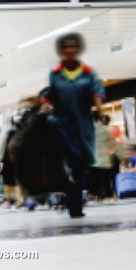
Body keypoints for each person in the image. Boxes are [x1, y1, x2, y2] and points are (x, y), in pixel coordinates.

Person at [43, 32, 105, 218]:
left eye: (73, 47)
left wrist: (100, 111)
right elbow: (50, 95)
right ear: (61, 51)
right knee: (68, 165)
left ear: (78, 49)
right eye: (66, 47)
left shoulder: (88, 73)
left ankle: (74, 202)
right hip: (61, 126)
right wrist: (45, 104)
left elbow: (97, 93)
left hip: (82, 126)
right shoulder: (55, 74)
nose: (69, 50)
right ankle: (72, 203)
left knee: (80, 166)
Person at [0, 114, 23, 208]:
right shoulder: (20, 133)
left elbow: (3, 148)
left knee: (9, 181)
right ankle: (18, 201)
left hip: (9, 160)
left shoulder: (8, 133)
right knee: (16, 181)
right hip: (17, 160)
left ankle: (10, 201)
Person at [90, 114, 116, 201]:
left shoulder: (89, 129)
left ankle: (97, 194)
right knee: (106, 178)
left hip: (94, 157)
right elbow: (111, 143)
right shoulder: (106, 129)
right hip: (105, 157)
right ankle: (108, 194)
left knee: (95, 179)